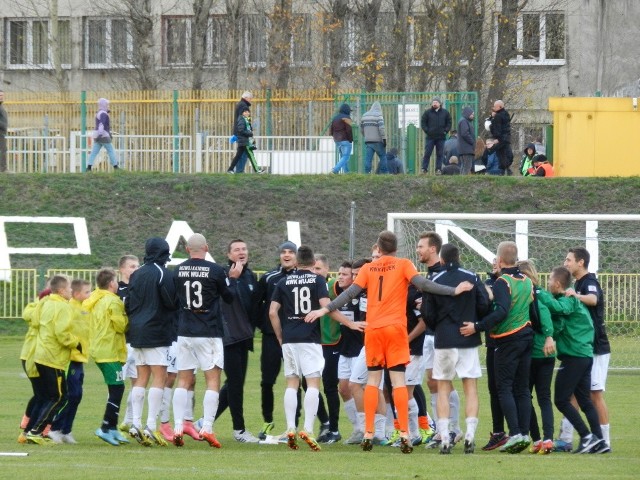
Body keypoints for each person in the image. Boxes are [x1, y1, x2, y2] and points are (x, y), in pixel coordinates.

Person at [306, 231, 473, 454]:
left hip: (373, 329)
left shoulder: (367, 268)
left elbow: (349, 293)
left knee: (373, 381)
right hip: (395, 329)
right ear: (396, 248)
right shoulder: (404, 264)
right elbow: (425, 284)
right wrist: (454, 290)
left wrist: (325, 309)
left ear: (379, 248)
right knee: (398, 381)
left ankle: (368, 432)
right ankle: (404, 432)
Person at [269, 245, 361, 451]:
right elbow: (328, 308)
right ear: (312, 263)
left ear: (296, 262)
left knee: (292, 382)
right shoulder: (318, 280)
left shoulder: (283, 281)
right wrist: (350, 324)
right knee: (312, 384)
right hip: (310, 338)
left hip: (290, 338)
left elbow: (273, 312)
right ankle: (308, 429)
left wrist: (280, 336)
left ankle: (290, 428)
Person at [460, 241, 534, 454]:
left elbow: (501, 311)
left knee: (504, 388)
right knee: (522, 389)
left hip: (507, 338)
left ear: (500, 260)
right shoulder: (527, 281)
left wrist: (478, 326)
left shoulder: (503, 282)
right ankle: (524, 433)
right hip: (526, 337)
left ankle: (515, 433)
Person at [171, 233, 238, 448]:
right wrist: (233, 278)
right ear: (206, 248)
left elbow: (173, 299)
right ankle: (207, 427)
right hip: (208, 331)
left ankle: (178, 426)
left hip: (185, 331)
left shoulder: (178, 269)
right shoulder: (216, 270)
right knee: (212, 380)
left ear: (188, 249)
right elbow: (229, 297)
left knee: (183, 379)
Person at [424, 243, 490, 454]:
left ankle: (444, 437)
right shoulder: (472, 276)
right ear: (458, 256)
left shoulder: (434, 280)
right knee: (470, 387)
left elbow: (427, 312)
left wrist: (439, 328)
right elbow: (484, 304)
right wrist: (473, 321)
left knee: (443, 388)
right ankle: (470, 435)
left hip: (444, 339)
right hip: (467, 338)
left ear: (441, 259)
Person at [537, 266, 607, 454]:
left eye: (550, 280)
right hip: (583, 356)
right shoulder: (568, 300)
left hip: (575, 357)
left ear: (557, 284)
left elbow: (558, 308)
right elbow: (560, 323)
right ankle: (600, 442)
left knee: (560, 400)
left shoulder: (568, 300)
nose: (548, 283)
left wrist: (538, 292)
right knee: (584, 400)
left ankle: (586, 437)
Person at [125, 237, 178, 446]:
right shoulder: (163, 273)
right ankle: (150, 425)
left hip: (136, 332)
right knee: (160, 377)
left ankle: (135, 423)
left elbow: (128, 302)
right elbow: (170, 301)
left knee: (141, 377)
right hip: (156, 331)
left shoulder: (137, 274)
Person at [563, 247, 611, 452]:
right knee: (573, 393)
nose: (565, 263)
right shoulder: (579, 283)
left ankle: (604, 441)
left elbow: (593, 299)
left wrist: (575, 296)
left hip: (596, 348)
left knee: (594, 394)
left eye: (569, 260)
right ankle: (566, 438)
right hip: (582, 348)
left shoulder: (589, 282)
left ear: (580, 262)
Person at [25, 275, 80, 444]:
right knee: (58, 397)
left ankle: (33, 430)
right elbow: (61, 333)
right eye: (70, 288)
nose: (72, 291)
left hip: (40, 354)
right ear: (62, 290)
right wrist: (75, 342)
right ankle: (35, 431)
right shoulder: (63, 307)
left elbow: (34, 320)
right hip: (52, 357)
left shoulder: (46, 302)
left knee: (51, 396)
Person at [215, 239, 261, 443]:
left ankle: (204, 422)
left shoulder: (250, 276)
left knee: (234, 383)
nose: (241, 252)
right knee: (235, 384)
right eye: (236, 250)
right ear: (229, 255)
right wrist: (231, 279)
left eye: (244, 249)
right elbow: (224, 301)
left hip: (244, 336)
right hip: (228, 337)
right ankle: (239, 430)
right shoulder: (224, 275)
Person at [256, 241, 298, 440]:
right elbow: (256, 304)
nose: (287, 255)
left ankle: (295, 423)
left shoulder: (303, 278)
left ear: (297, 256)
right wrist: (263, 326)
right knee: (266, 381)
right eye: (284, 252)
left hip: (295, 338)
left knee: (297, 380)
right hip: (272, 337)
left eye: (291, 252)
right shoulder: (269, 278)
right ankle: (268, 421)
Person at [84, 268, 130, 446]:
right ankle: (105, 427)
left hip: (98, 347)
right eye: (116, 281)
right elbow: (120, 326)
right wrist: (127, 318)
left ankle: (112, 427)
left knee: (116, 388)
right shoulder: (113, 301)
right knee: (117, 388)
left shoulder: (94, 298)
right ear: (112, 284)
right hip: (109, 350)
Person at [516, 260, 556, 455]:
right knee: (544, 397)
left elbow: (541, 314)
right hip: (547, 354)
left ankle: (537, 439)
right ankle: (548, 439)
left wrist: (547, 333)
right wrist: (551, 335)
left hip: (530, 352)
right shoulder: (544, 294)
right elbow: (554, 310)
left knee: (525, 395)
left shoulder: (524, 294)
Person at [47, 279, 91, 444]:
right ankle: (54, 428)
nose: (90, 295)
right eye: (87, 292)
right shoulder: (69, 308)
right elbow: (63, 333)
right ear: (77, 293)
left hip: (80, 360)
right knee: (71, 395)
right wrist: (76, 347)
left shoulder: (83, 308)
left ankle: (66, 430)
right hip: (70, 359)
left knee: (77, 396)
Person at [86, 98, 119, 171]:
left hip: (97, 135)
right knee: (111, 150)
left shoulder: (99, 112)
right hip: (103, 135)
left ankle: (88, 167)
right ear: (104, 105)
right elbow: (102, 124)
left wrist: (99, 135)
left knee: (94, 152)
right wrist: (101, 134)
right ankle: (116, 167)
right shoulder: (103, 114)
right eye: (107, 105)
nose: (108, 106)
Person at [420, 98, 451, 174]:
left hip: (441, 137)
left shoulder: (445, 113)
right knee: (427, 153)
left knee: (440, 154)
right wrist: (427, 130)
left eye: (436, 102)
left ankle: (438, 169)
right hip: (430, 137)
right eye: (433, 102)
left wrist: (445, 131)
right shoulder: (427, 113)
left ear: (440, 104)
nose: (434, 104)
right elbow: (423, 122)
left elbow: (449, 122)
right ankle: (424, 168)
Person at [227, 107, 262, 174]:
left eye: (248, 112)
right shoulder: (242, 120)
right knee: (251, 155)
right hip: (245, 141)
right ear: (242, 113)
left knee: (238, 156)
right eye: (245, 112)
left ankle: (230, 169)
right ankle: (257, 170)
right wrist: (250, 133)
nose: (247, 113)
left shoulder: (245, 120)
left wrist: (251, 137)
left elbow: (246, 129)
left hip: (244, 141)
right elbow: (241, 130)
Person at [361, 101, 388, 174]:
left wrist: (366, 136)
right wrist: (384, 139)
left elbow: (362, 129)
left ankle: (367, 173)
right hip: (378, 141)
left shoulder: (364, 116)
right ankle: (385, 173)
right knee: (382, 156)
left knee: (368, 158)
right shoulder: (379, 116)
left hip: (368, 141)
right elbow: (381, 129)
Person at [487, 100, 513, 173]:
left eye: (495, 106)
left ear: (499, 106)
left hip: (500, 139)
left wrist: (492, 118)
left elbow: (495, 128)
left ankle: (504, 170)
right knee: (507, 154)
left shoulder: (498, 116)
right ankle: (507, 169)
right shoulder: (506, 114)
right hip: (506, 138)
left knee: (500, 155)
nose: (494, 108)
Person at [231, 91, 253, 173]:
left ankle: (239, 170)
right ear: (246, 98)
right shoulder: (243, 106)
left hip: (241, 133)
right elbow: (242, 120)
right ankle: (239, 171)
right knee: (243, 153)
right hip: (242, 134)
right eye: (250, 98)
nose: (251, 100)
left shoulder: (241, 104)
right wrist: (248, 131)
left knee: (242, 153)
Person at [330, 103, 353, 174]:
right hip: (345, 140)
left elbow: (331, 130)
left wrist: (334, 137)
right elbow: (349, 130)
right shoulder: (347, 118)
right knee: (346, 156)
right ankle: (335, 170)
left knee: (343, 156)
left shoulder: (335, 118)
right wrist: (350, 139)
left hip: (337, 140)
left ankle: (347, 172)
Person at [457, 107, 476, 175]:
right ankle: (463, 181)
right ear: (468, 113)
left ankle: (461, 180)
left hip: (464, 148)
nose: (473, 116)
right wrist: (472, 142)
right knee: (467, 166)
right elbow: (465, 133)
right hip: (466, 148)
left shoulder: (463, 121)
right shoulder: (464, 121)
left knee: (464, 166)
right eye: (472, 114)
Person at [0, 90, 8, 172]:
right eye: (0, 95)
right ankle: (3, 169)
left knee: (3, 149)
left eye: (2, 95)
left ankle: (3, 168)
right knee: (3, 149)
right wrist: (3, 125)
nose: (1, 97)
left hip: (2, 132)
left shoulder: (1, 106)